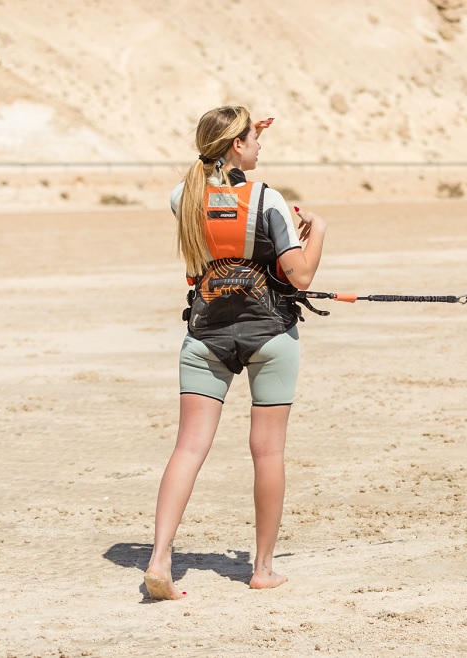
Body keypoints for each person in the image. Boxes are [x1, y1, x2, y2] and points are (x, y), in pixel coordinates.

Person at [143, 106, 328, 599]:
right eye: (253, 139)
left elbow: (217, 189)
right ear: (234, 146)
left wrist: (236, 146)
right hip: (269, 336)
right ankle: (263, 568)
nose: (261, 144)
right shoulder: (271, 200)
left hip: (205, 335)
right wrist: (319, 228)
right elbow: (302, 276)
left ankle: (160, 559)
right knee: (267, 453)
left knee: (187, 448)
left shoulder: (184, 195)